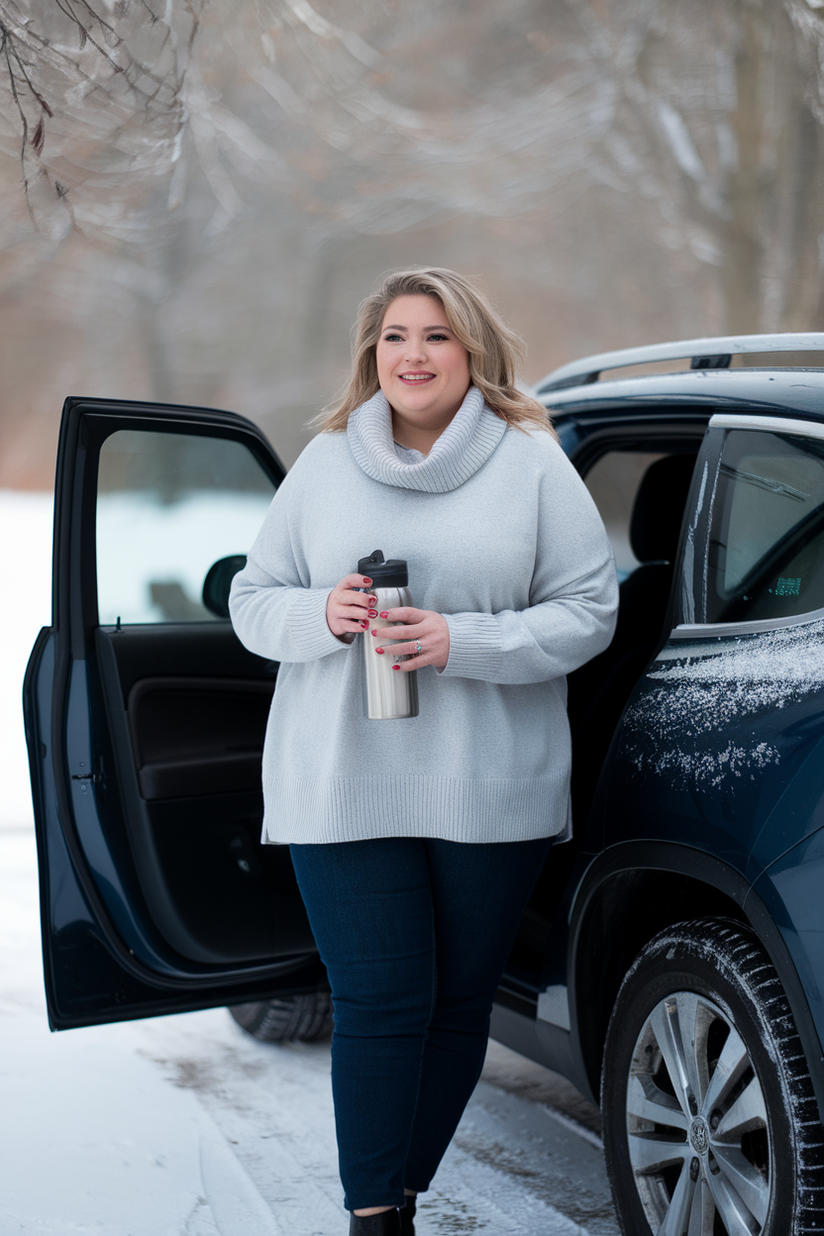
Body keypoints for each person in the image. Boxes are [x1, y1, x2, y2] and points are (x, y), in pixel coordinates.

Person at [229, 267, 618, 1234]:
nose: (414, 355)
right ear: (372, 352)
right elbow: (250, 599)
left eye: (437, 336)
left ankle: (394, 1197)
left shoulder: (532, 460)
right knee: (378, 999)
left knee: (456, 1004)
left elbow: (590, 613)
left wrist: (463, 641)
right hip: (343, 779)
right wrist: (322, 610)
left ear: (474, 351)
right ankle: (376, 1218)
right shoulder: (325, 460)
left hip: (489, 783)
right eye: (396, 336)